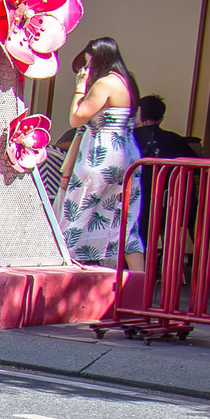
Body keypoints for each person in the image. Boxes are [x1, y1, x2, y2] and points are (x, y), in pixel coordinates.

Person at [58, 36, 142, 268]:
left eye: (88, 63)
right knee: (125, 222)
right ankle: (138, 283)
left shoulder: (104, 84)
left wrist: (79, 88)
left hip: (101, 154)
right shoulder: (128, 82)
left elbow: (76, 118)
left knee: (77, 214)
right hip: (127, 154)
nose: (86, 69)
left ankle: (67, 277)